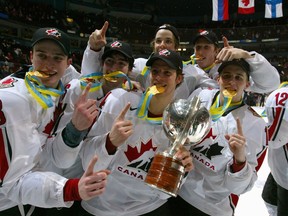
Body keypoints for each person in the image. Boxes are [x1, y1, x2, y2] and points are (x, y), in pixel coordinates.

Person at [0, 27, 109, 215]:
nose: (48, 65)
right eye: (42, 56)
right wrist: (73, 189)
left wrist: (93, 49)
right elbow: (14, 184)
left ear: (68, 63)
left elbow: (86, 82)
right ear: (31, 56)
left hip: (36, 193)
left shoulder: (58, 84)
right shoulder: (13, 103)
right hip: (8, 202)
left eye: (57, 58)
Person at [78, 49, 193, 216]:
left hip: (148, 208)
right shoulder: (120, 101)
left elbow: (162, 192)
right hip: (101, 205)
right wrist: (110, 142)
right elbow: (87, 162)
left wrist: (181, 171)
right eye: (155, 71)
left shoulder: (181, 123)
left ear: (179, 78)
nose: (159, 77)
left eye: (167, 72)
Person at [167, 58, 267, 215]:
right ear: (218, 79)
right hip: (177, 190)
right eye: (226, 76)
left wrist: (239, 161)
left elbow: (239, 188)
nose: (231, 82)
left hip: (211, 207)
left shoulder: (256, 125)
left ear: (247, 84)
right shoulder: (201, 96)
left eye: (238, 77)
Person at [81, 22, 218, 99]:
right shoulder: (140, 66)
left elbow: (220, 89)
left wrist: (229, 61)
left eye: (168, 41)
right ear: (154, 45)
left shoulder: (193, 72)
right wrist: (94, 49)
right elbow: (102, 73)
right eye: (158, 41)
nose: (162, 44)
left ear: (176, 47)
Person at [192, 29, 280, 94]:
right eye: (198, 47)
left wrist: (247, 56)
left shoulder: (230, 71)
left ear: (216, 51)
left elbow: (271, 84)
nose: (200, 52)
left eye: (206, 47)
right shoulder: (189, 72)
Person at [262, 65, 288, 216]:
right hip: (279, 169)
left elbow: (274, 139)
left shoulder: (282, 95)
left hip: (285, 173)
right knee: (269, 199)